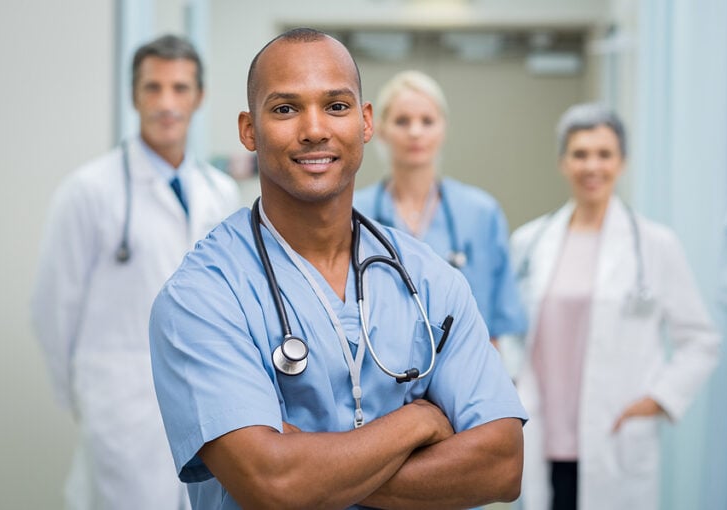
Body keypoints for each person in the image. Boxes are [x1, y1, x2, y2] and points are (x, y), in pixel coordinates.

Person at [149, 27, 527, 510]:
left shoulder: (429, 281)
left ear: (366, 122)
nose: (314, 129)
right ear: (249, 130)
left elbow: (502, 465)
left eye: (337, 106)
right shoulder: (202, 296)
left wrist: (310, 461)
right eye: (285, 108)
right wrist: (417, 423)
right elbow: (271, 485)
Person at [31, 34, 239, 510]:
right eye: (153, 88)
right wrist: (92, 397)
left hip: (207, 403)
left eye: (180, 88)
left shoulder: (221, 192)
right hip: (122, 406)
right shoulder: (88, 191)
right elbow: (51, 309)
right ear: (133, 95)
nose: (167, 103)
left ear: (199, 97)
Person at [509, 103, 719, 510]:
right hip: (543, 430)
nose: (592, 166)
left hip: (615, 433)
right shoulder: (529, 242)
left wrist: (658, 398)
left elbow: (700, 340)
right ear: (562, 162)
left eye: (604, 154)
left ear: (621, 162)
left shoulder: (656, 245)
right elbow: (512, 332)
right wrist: (513, 382)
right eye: (580, 154)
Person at [354, 70, 526, 345]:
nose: (415, 132)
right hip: (379, 371)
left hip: (464, 370)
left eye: (427, 121)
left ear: (443, 128)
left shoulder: (480, 213)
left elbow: (493, 327)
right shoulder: (354, 213)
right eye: (402, 121)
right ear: (379, 129)